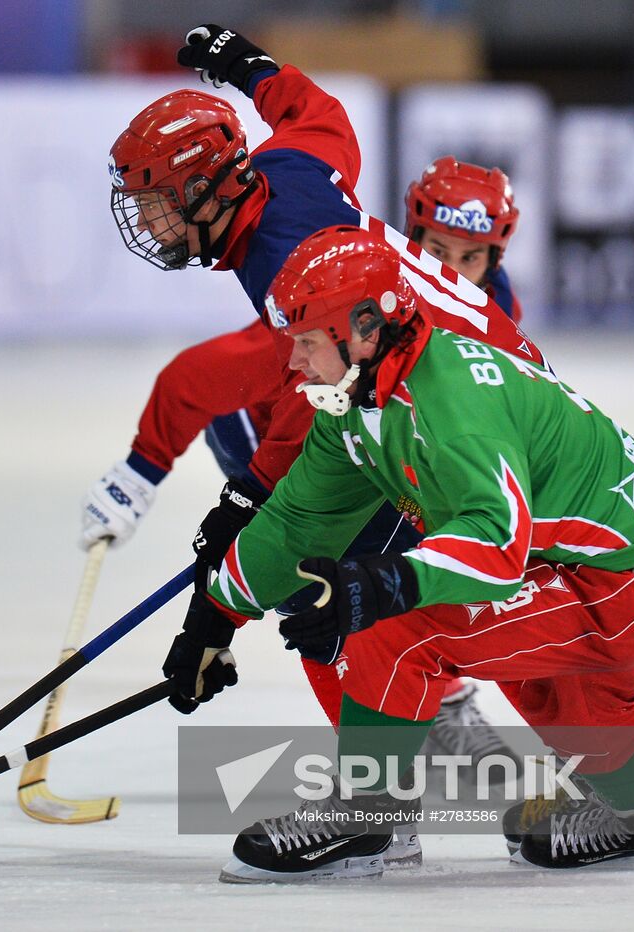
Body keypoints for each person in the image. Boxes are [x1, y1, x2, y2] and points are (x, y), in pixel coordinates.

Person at [160, 219, 634, 882]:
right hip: (617, 560)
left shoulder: (451, 404)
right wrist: (214, 616)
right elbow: (299, 521)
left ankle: (365, 818)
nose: (295, 363)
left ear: (365, 327)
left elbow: (497, 546)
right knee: (569, 692)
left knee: (399, 627)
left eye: (306, 341)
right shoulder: (358, 403)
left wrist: (380, 585)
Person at [82, 23, 538, 799]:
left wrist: (248, 501)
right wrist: (250, 67)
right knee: (325, 561)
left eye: (157, 203)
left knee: (320, 585)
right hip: (464, 394)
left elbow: (316, 407)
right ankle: (431, 718)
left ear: (206, 190)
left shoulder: (289, 265)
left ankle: (382, 796)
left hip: (458, 414)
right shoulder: (286, 166)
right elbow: (321, 113)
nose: (148, 224)